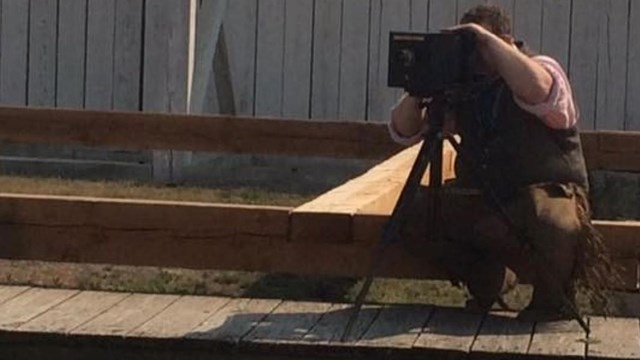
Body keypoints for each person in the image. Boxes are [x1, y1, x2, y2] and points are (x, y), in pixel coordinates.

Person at [390, 5, 618, 318]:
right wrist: (423, 81)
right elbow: (403, 130)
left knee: (552, 219)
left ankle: (554, 301)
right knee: (413, 213)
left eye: (478, 45)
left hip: (545, 194)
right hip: (489, 198)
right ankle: (488, 279)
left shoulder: (540, 68)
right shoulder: (465, 86)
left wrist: (489, 43)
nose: (474, 55)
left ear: (507, 41)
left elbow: (537, 90)